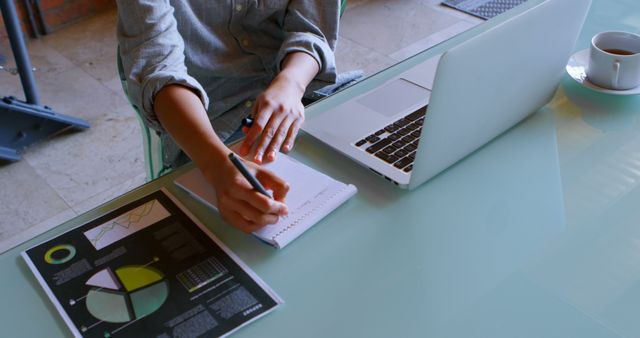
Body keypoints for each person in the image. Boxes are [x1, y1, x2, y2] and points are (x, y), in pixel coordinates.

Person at [117, 1, 341, 233]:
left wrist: (291, 83)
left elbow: (312, 28)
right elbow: (158, 70)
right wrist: (217, 166)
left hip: (305, 93)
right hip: (207, 128)